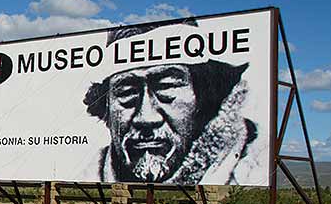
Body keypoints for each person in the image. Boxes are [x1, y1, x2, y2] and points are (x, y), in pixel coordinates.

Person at [83, 20, 265, 185]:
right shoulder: (84, 175)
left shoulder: (257, 170)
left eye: (167, 88)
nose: (146, 118)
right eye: (127, 93)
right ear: (106, 106)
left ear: (203, 99)